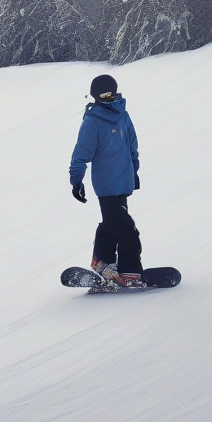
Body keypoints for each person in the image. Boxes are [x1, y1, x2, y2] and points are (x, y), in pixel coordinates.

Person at [69, 73, 146, 289]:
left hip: (123, 182)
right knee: (127, 230)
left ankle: (103, 262)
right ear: (96, 96)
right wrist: (77, 181)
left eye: (111, 92)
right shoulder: (92, 122)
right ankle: (129, 271)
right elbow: (80, 154)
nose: (108, 96)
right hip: (106, 184)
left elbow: (132, 144)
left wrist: (134, 171)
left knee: (112, 223)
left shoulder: (123, 114)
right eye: (103, 94)